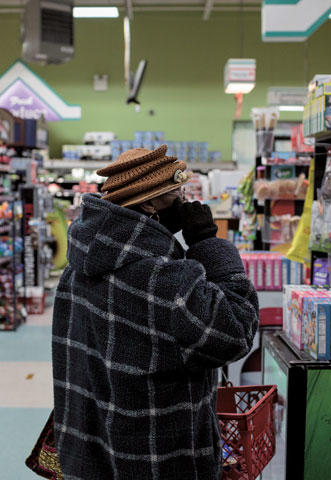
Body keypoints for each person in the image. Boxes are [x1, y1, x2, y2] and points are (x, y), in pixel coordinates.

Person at [52, 145, 259, 479]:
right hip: (157, 455)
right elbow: (234, 334)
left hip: (88, 451)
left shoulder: (79, 264)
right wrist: (206, 242)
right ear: (149, 203)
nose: (185, 201)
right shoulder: (163, 277)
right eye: (176, 193)